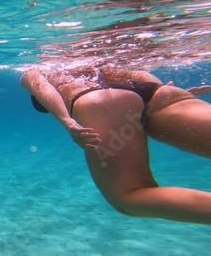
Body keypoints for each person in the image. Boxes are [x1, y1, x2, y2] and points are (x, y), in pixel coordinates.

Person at [20, 66, 211, 224]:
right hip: (159, 93)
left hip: (102, 102)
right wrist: (171, 93)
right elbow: (142, 76)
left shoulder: (36, 69)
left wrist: (66, 120)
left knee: (129, 196)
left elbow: (44, 88)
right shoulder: (104, 60)